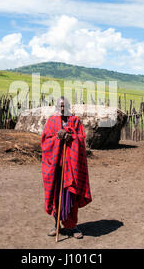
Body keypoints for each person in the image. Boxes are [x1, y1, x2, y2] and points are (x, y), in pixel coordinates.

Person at [41, 96, 92, 239]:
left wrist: (71, 137)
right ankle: (56, 224)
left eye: (64, 106)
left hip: (71, 167)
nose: (62, 108)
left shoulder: (75, 121)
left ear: (68, 107)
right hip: (56, 167)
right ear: (56, 107)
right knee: (56, 196)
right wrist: (58, 138)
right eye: (60, 106)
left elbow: (81, 139)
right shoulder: (51, 121)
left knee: (71, 196)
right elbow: (45, 141)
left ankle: (72, 226)